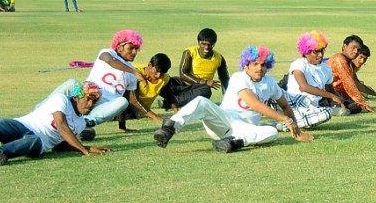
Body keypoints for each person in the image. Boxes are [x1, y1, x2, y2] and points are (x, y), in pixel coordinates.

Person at [154, 46, 315, 152]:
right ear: (246, 66)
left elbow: (286, 106)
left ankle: (232, 143)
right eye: (255, 64)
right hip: (223, 120)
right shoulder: (239, 78)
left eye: (264, 64)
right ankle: (170, 128)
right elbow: (255, 105)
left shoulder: (271, 83)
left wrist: (297, 130)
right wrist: (285, 119)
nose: (260, 68)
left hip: (243, 129)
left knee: (272, 132)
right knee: (201, 102)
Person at [0, 80, 110, 165]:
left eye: (94, 102)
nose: (90, 105)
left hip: (37, 143)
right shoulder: (61, 100)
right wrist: (84, 150)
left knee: (33, 140)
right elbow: (61, 125)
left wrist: (86, 147)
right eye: (88, 99)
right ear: (76, 97)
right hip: (22, 124)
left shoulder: (81, 123)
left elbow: (59, 146)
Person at [114, 53, 211, 130]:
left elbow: (169, 95)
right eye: (156, 71)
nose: (158, 75)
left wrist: (176, 112)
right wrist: (156, 118)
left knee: (198, 88)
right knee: (124, 99)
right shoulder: (134, 72)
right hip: (121, 108)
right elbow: (133, 99)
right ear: (149, 65)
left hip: (138, 113)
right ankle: (120, 124)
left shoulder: (164, 79)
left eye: (162, 73)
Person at [284, 30, 341, 126]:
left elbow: (331, 90)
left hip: (312, 106)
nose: (321, 55)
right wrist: (331, 96)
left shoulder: (326, 69)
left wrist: (342, 102)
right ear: (306, 52)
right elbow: (304, 87)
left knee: (327, 113)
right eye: (316, 52)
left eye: (322, 51)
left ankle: (286, 125)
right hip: (294, 101)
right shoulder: (298, 64)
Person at [330, 35, 376, 113]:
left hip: (337, 94)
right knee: (349, 109)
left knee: (356, 107)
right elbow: (349, 83)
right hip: (326, 95)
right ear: (344, 46)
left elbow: (356, 84)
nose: (355, 51)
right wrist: (363, 103)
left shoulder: (349, 64)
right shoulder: (339, 59)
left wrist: (375, 95)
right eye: (353, 48)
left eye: (358, 49)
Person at [178, 28, 230, 97]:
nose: (206, 48)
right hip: (185, 85)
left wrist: (227, 97)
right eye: (203, 44)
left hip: (201, 89)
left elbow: (224, 78)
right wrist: (204, 82)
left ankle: (171, 102)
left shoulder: (219, 58)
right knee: (171, 81)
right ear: (198, 42)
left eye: (210, 45)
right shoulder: (190, 52)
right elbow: (183, 74)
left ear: (214, 44)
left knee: (206, 91)